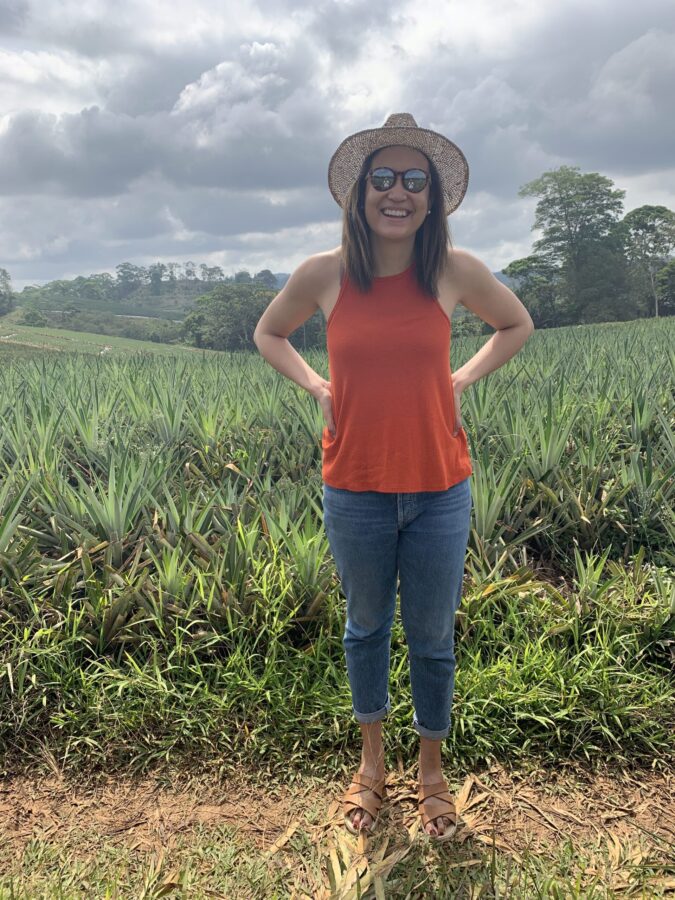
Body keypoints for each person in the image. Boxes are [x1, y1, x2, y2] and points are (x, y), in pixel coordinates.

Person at [253, 113, 534, 839]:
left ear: (432, 195)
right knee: (366, 629)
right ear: (359, 191)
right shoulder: (322, 273)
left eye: (414, 180)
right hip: (354, 487)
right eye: (383, 178)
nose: (397, 192)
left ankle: (431, 772)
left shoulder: (452, 270)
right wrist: (317, 387)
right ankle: (371, 767)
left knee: (433, 636)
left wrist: (459, 379)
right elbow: (268, 332)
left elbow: (515, 323)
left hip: (440, 486)